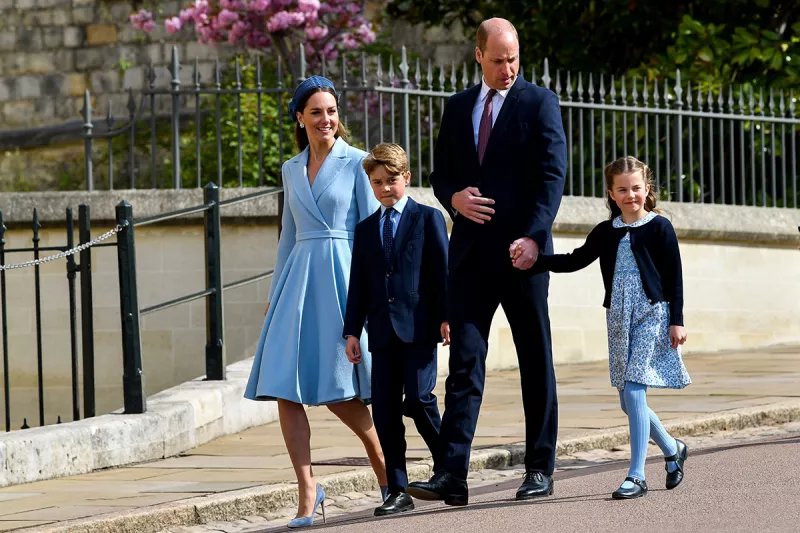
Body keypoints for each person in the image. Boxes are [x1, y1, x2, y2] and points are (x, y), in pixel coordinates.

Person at [407, 18, 567, 506]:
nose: (507, 68)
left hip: (524, 257)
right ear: (478, 56)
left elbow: (551, 176)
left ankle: (539, 469)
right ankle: (452, 474)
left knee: (534, 361)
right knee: (464, 365)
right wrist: (453, 197)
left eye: (513, 58)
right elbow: (440, 175)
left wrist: (536, 238)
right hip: (471, 258)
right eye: (497, 60)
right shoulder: (457, 107)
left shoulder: (540, 103)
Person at [244, 76, 388, 528]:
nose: (326, 119)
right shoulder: (290, 169)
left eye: (331, 111)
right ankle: (308, 491)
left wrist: (374, 293)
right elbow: (287, 235)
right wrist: (274, 295)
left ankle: (386, 470)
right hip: (297, 283)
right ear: (300, 119)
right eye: (316, 112)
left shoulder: (358, 162)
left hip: (343, 278)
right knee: (287, 388)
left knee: (338, 389)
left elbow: (372, 232)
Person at [532, 156, 691, 499]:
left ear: (646, 190)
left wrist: (676, 320)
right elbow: (574, 259)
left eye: (636, 188)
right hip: (618, 316)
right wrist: (535, 261)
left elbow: (674, 277)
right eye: (623, 189)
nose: (630, 195)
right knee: (626, 399)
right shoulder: (606, 232)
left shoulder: (660, 227)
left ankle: (636, 475)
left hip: (653, 313)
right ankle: (672, 447)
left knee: (635, 389)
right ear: (612, 193)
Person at [343, 143, 450, 517]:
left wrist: (446, 316)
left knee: (419, 398)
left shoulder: (428, 218)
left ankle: (450, 466)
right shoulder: (366, 229)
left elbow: (442, 272)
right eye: (377, 183)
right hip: (382, 333)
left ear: (406, 177)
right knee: (386, 411)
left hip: (420, 327)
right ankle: (397, 489)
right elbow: (359, 283)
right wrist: (352, 331)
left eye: (391, 180)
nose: (385, 188)